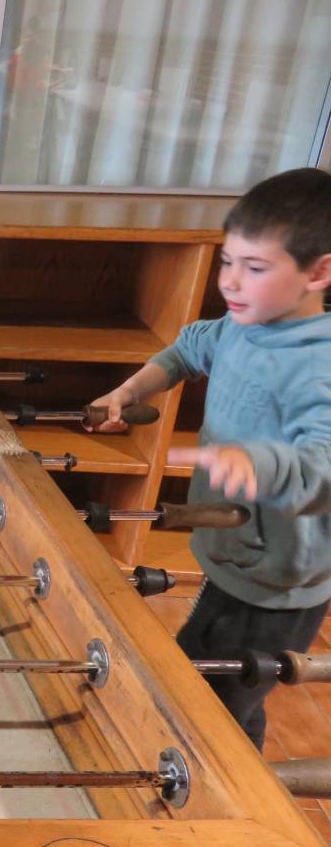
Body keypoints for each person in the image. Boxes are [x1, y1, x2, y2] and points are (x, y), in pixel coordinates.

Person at [88, 167, 331, 751]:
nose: (231, 281)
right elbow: (187, 349)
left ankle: (230, 794)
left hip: (277, 585)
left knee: (206, 707)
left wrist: (262, 466)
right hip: (232, 556)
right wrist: (129, 390)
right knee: (220, 698)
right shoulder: (243, 325)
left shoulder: (318, 366)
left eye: (255, 268)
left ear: (318, 272)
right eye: (227, 261)